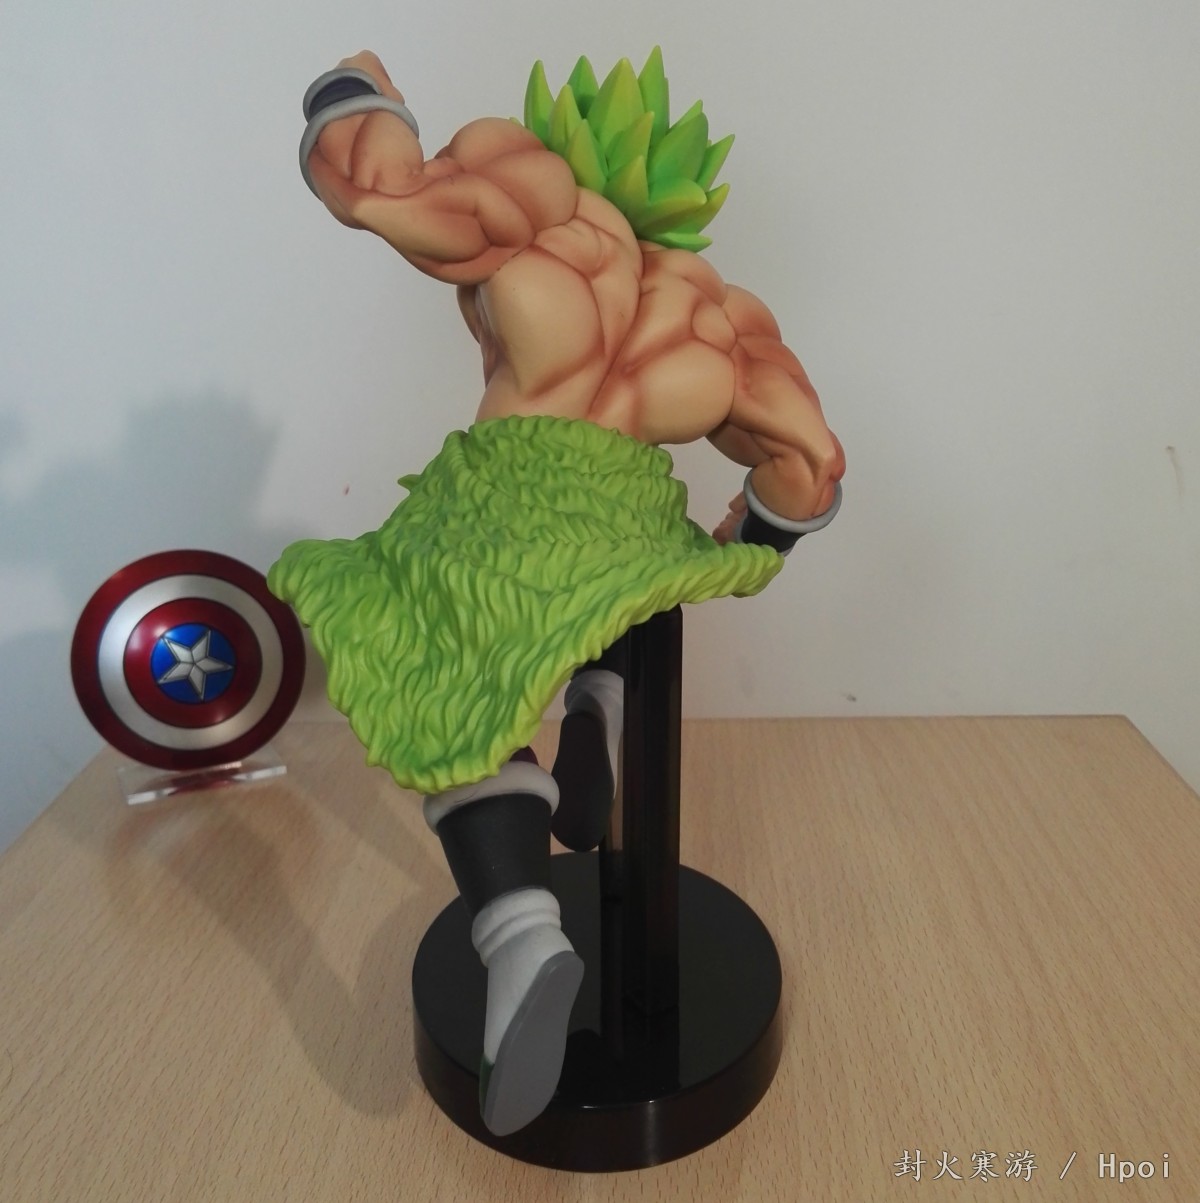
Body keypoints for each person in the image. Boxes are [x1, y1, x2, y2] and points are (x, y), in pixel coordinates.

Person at [271, 48, 844, 1136]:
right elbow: (807, 464)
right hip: (630, 514)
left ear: (561, 141)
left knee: (437, 673)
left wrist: (350, 96)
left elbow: (377, 188)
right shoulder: (717, 309)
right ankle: (602, 705)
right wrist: (753, 537)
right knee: (606, 597)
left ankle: (519, 927)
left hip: (511, 492)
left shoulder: (539, 204)